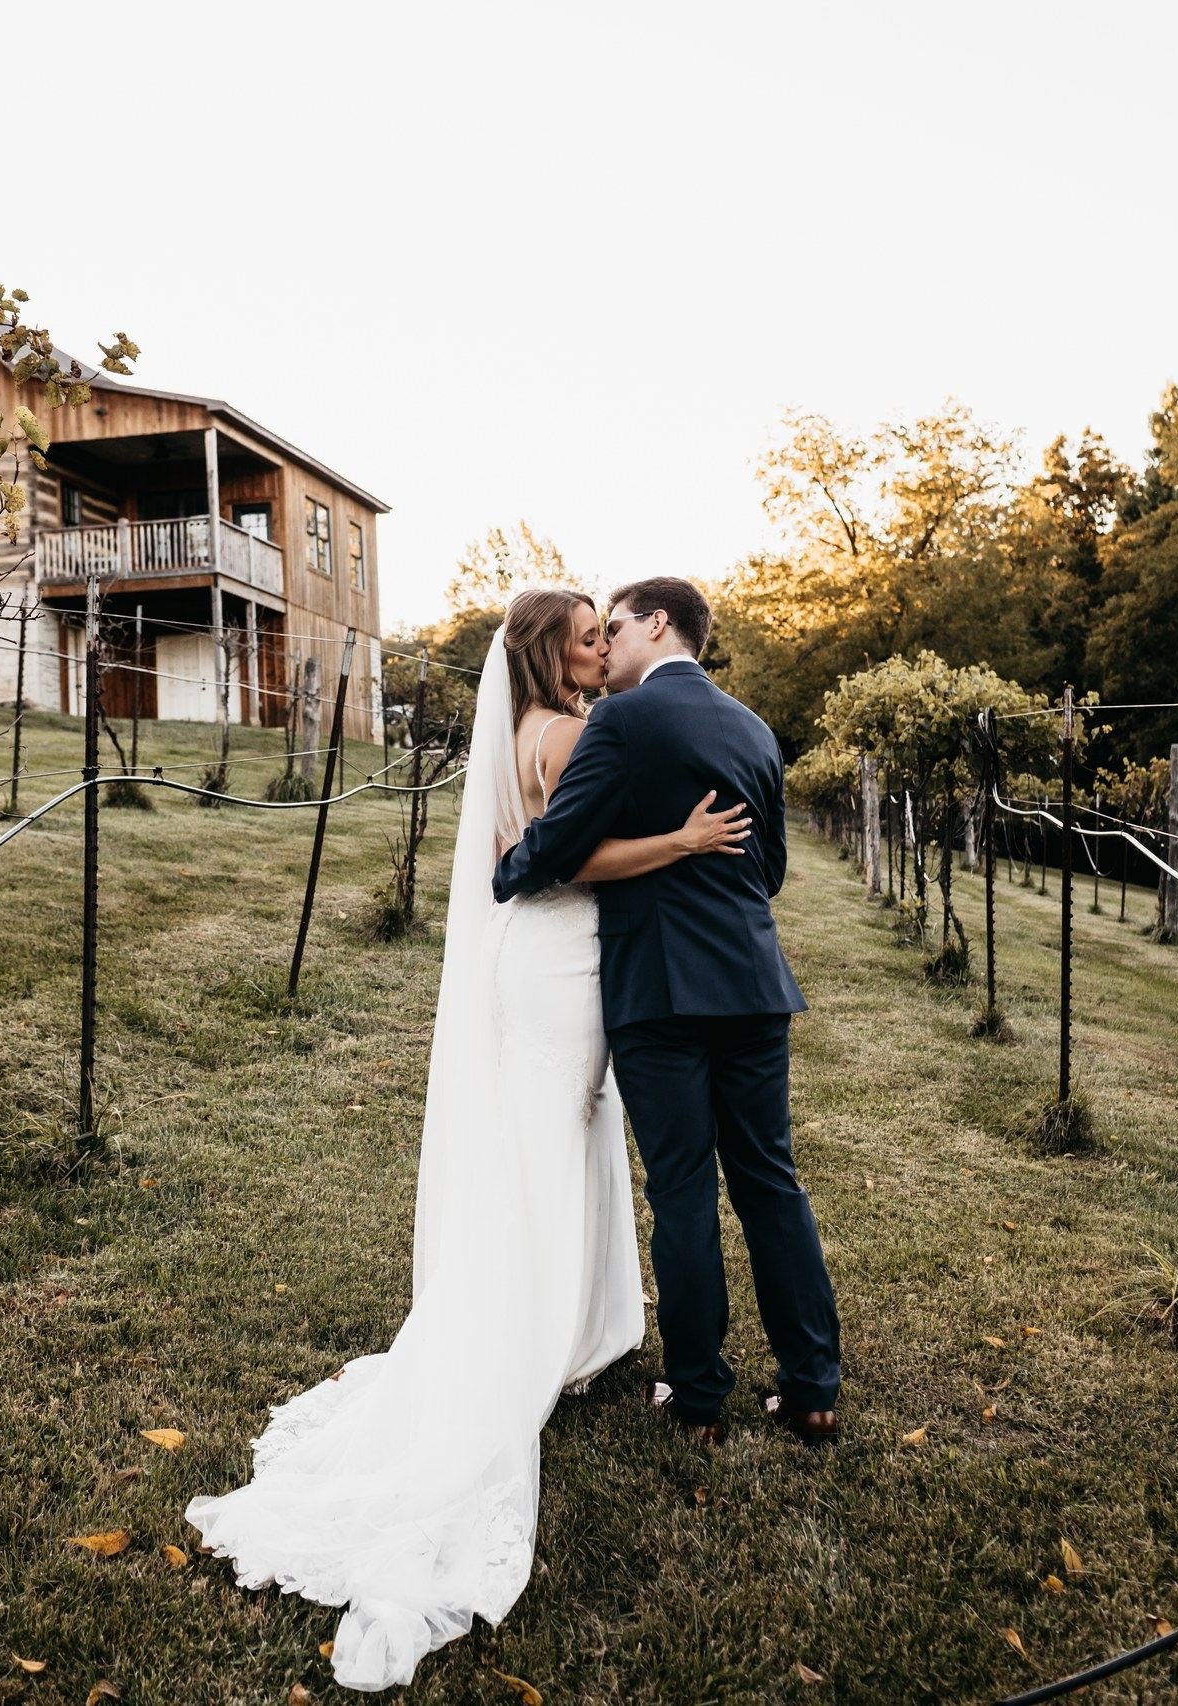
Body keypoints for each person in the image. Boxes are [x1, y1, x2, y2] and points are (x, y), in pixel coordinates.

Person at [184, 587, 749, 1693]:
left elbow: (534, 846)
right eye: (588, 634)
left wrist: (555, 841)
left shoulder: (538, 730)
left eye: (606, 631)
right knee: (548, 1154)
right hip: (564, 964)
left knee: (551, 1147)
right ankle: (522, 1341)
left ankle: (567, 1330)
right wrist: (682, 836)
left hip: (539, 964)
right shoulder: (574, 730)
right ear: (550, 651)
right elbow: (570, 859)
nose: (601, 646)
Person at [494, 576, 842, 1451]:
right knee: (771, 1182)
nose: (603, 646)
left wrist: (508, 867)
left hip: (657, 989)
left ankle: (697, 1401)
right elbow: (766, 872)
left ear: (657, 624)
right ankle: (811, 1391)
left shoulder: (619, 720)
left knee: (684, 1190)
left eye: (612, 628)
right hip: (752, 983)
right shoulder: (755, 728)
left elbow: (560, 846)